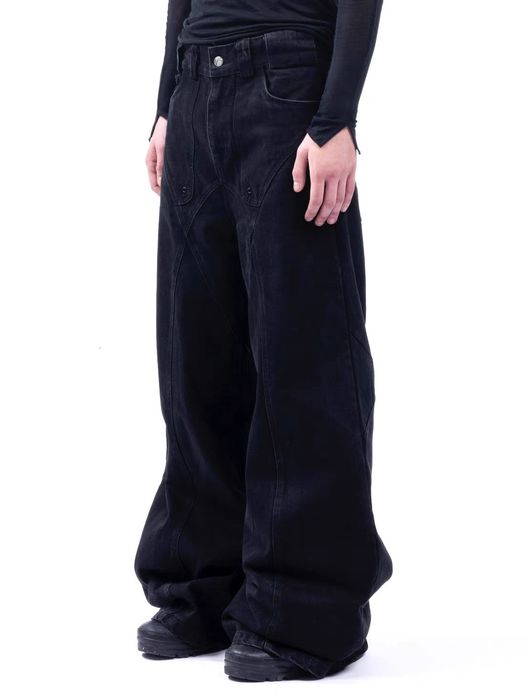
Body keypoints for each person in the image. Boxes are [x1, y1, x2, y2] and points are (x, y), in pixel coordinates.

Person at [134, 0, 393, 682]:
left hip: (288, 89)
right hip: (195, 84)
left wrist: (336, 117)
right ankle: (203, 587)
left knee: (301, 359)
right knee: (195, 361)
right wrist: (165, 106)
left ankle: (305, 610)